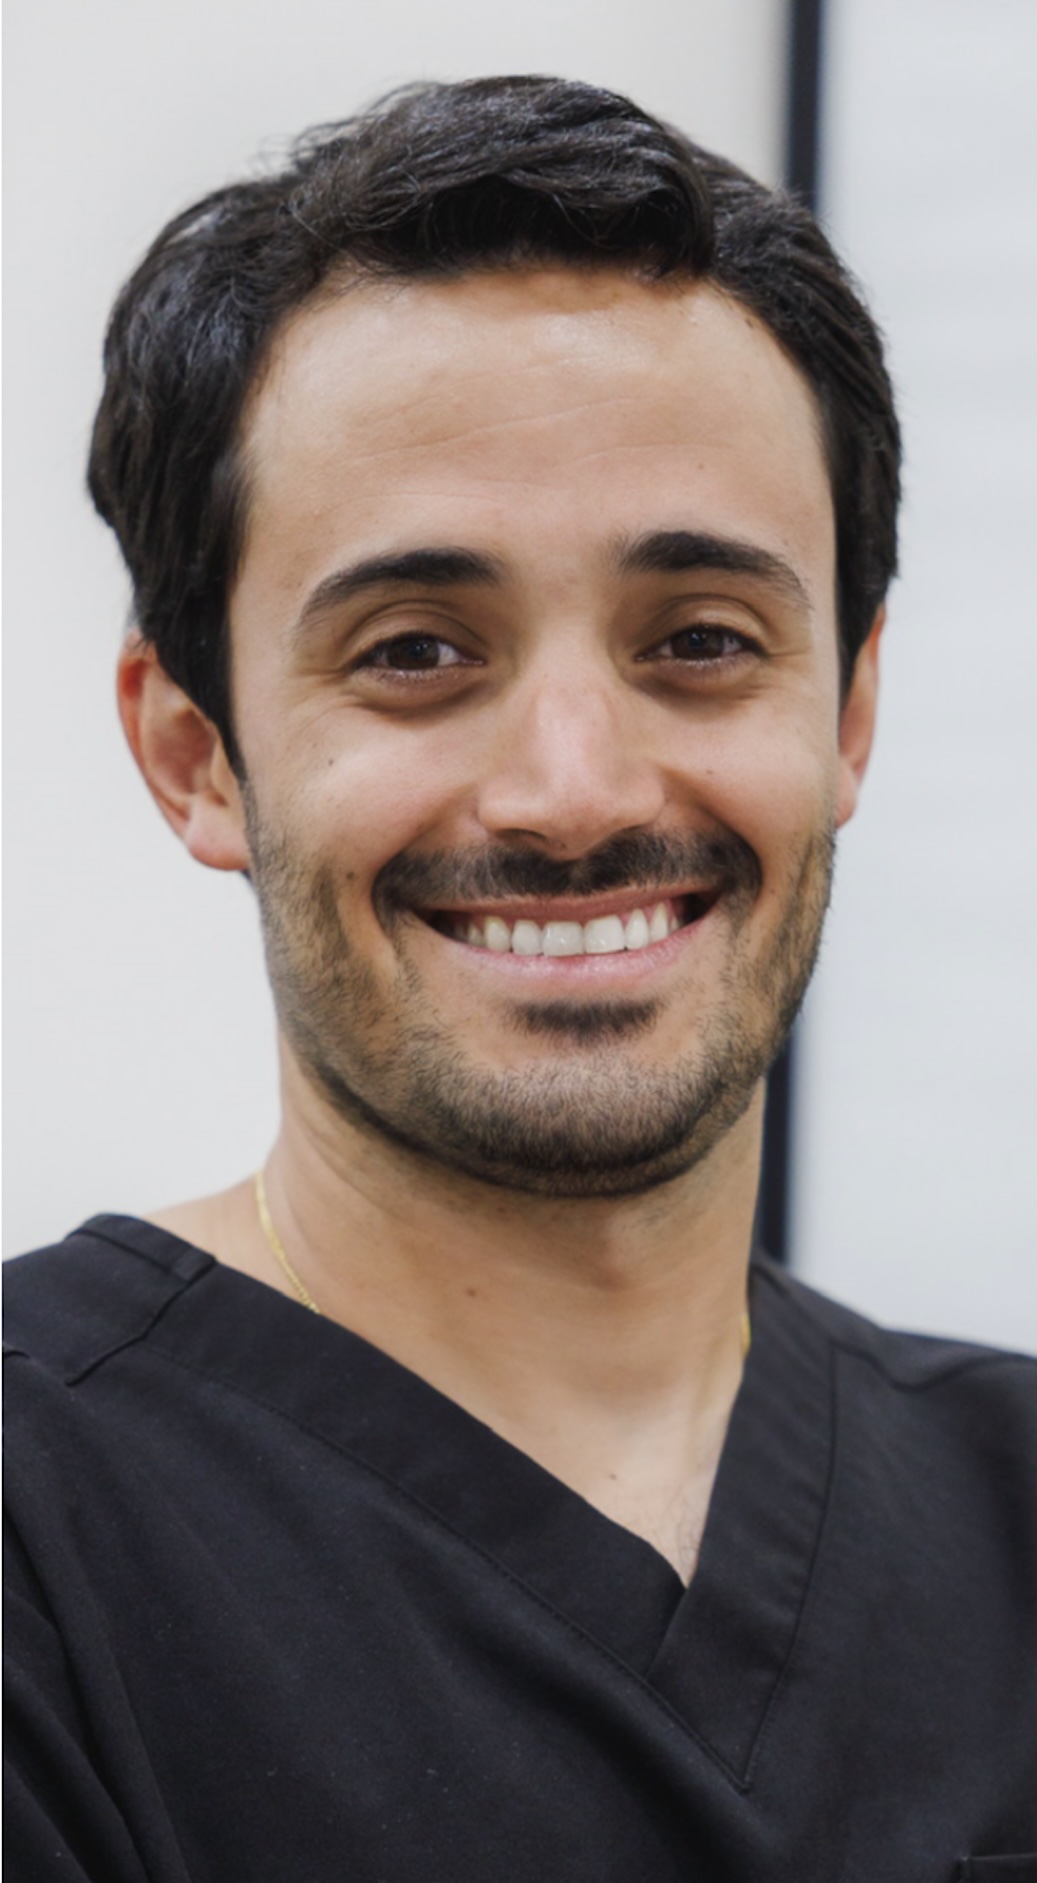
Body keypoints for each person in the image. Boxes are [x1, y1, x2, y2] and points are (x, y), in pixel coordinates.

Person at [4, 75, 1034, 1882]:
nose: (575, 793)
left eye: (699, 640)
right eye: (417, 651)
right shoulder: (43, 1531)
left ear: (848, 713)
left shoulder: (1012, 1507)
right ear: (196, 753)